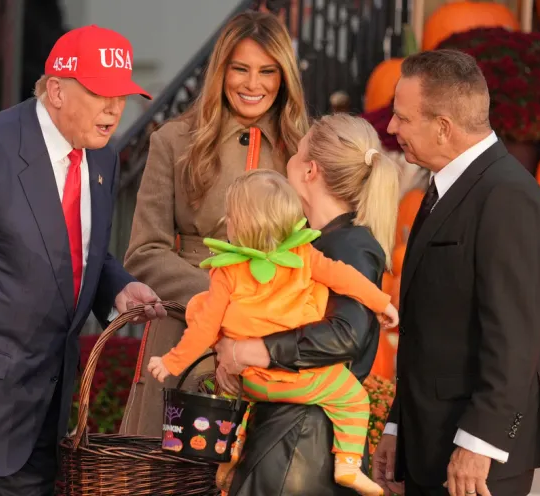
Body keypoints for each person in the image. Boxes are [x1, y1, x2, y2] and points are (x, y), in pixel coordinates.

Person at [0, 25, 167, 496]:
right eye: (101, 93)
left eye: (121, 95)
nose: (115, 109)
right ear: (56, 90)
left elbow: (78, 250)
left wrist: (116, 287)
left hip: (45, 417)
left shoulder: (102, 158)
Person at [371, 49, 540, 496]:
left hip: (476, 458)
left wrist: (481, 444)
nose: (392, 128)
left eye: (401, 118)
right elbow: (429, 331)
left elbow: (515, 339)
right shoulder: (443, 184)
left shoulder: (508, 198)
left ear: (443, 127)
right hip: (429, 439)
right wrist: (399, 423)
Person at [149, 169, 399, 496]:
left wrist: (172, 362)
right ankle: (348, 465)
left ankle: (231, 454)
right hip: (302, 382)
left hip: (252, 380)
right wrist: (383, 303)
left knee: (204, 314)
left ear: (235, 225)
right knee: (353, 398)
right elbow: (347, 280)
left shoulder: (226, 272)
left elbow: (205, 327)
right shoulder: (305, 256)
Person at [119, 11, 309, 437]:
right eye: (239, 69)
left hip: (274, 339)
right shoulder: (172, 140)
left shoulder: (304, 148)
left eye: (267, 71)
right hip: (186, 326)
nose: (252, 84)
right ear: (220, 71)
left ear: (284, 77)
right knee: (173, 473)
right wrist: (222, 305)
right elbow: (144, 252)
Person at [211, 113, 401, 496]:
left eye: (296, 154)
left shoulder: (348, 245)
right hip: (292, 434)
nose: (289, 161)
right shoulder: (312, 243)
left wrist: (255, 350)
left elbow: (346, 334)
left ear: (310, 170)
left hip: (304, 444)